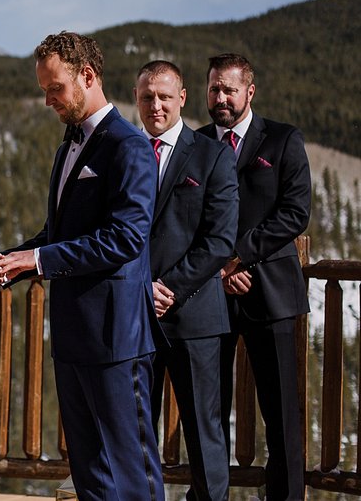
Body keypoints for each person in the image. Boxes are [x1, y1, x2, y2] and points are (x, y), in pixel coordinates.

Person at [0, 32, 165, 501]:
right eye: (44, 90)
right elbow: (60, 234)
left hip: (116, 337)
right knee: (90, 472)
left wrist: (40, 258)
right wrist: (14, 261)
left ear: (87, 76)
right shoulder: (68, 149)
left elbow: (126, 237)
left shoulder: (129, 146)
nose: (48, 100)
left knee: (133, 472)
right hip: (72, 336)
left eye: (55, 88)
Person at [196, 54, 311, 501]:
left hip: (271, 294)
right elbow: (187, 221)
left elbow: (295, 214)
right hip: (209, 297)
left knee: (282, 414)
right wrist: (216, 271)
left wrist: (238, 257)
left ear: (250, 91)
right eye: (213, 90)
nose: (220, 98)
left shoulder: (283, 140)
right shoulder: (198, 144)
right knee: (208, 410)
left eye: (228, 89)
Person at [134, 61, 238, 501]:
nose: (154, 105)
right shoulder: (130, 153)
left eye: (163, 96)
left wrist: (170, 288)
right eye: (145, 97)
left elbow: (219, 240)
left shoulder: (211, 154)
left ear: (183, 98)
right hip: (136, 315)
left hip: (193, 317)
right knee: (137, 432)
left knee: (203, 433)